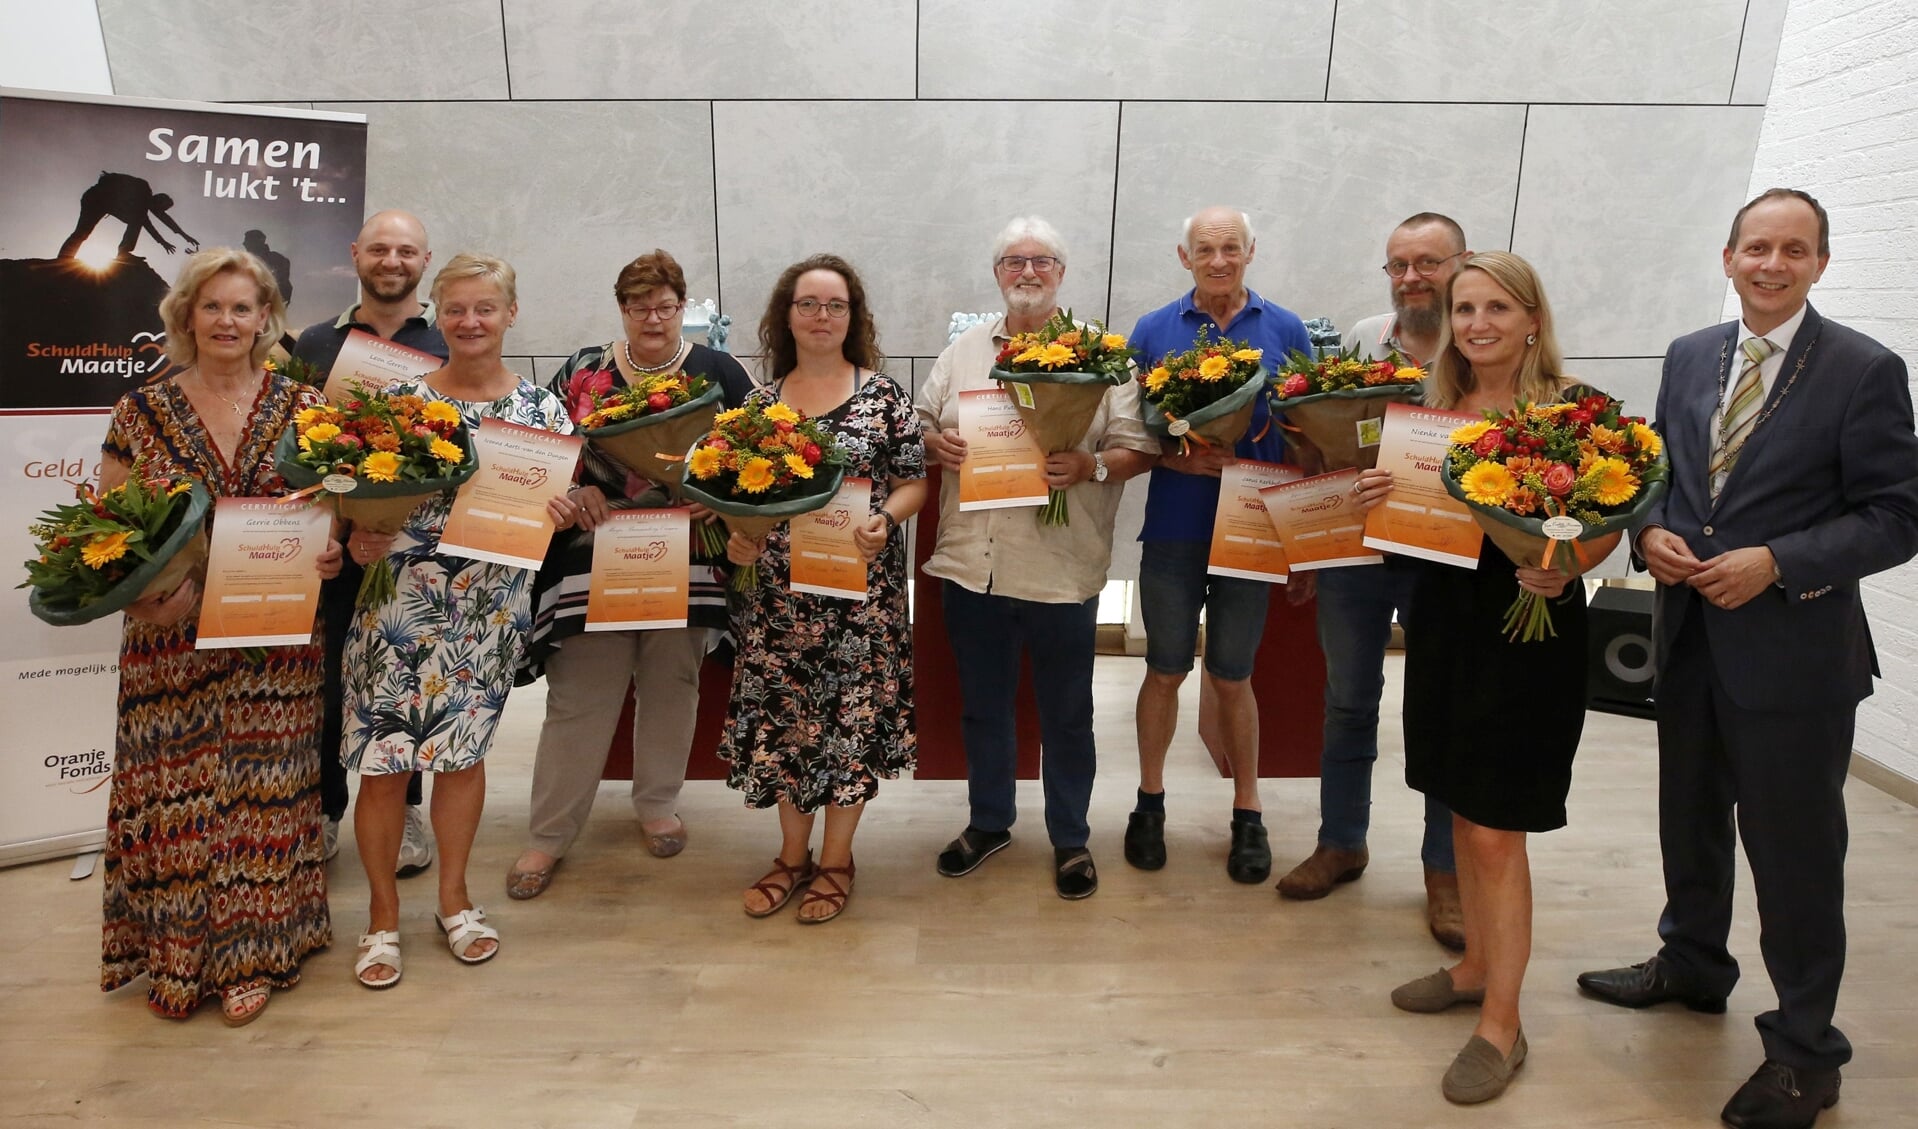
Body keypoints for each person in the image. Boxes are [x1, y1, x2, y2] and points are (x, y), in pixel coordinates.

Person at [1576, 189, 1918, 1129]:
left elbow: (1898, 514)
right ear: (1727, 258)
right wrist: (1648, 532)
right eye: (1756, 247)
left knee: (1795, 857)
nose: (1773, 263)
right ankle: (1693, 964)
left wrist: (1780, 562)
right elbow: (1655, 473)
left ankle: (1807, 1050)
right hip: (1687, 642)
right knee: (1688, 821)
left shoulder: (1863, 369)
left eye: (1794, 250)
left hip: (1797, 658)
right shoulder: (1691, 355)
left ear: (1820, 264)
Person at [1356, 251, 1617, 1104]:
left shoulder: (1576, 412)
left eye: (1497, 308)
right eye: (1465, 308)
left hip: (1529, 630)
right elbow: (1412, 523)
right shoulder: (1433, 410)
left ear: (1532, 318)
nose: (1477, 324)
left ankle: (1503, 1023)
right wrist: (1376, 492)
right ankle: (1472, 965)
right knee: (1462, 807)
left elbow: (1613, 516)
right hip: (1446, 626)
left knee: (1500, 825)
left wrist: (1570, 563)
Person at [97, 247, 342, 1025]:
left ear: (267, 318)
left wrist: (332, 549)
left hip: (278, 640)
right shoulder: (140, 411)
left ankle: (253, 957)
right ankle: (174, 958)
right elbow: (110, 529)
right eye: (213, 307)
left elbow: (329, 511)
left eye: (243, 308)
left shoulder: (306, 407)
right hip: (171, 642)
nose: (228, 321)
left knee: (259, 800)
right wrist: (143, 600)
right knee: (178, 800)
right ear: (185, 315)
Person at [340, 253, 577, 987]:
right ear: (436, 315)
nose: (470, 321)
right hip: (395, 604)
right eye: (456, 309)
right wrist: (357, 532)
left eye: (485, 308)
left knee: (461, 758)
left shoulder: (543, 413)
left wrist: (562, 514)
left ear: (511, 314)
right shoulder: (401, 405)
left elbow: (551, 513)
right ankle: (381, 917)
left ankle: (454, 899)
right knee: (384, 770)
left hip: (485, 611)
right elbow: (347, 495)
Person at [921, 217, 1158, 900]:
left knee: (1067, 713)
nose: (1027, 272)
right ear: (997, 273)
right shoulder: (964, 350)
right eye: (1014, 261)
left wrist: (1090, 463)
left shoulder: (1103, 357)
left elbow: (1139, 447)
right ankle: (990, 821)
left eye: (1042, 261)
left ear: (1061, 272)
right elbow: (926, 421)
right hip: (975, 563)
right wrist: (938, 445)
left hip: (1063, 566)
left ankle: (1071, 837)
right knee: (983, 708)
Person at [505, 248, 754, 899]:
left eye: (666, 304)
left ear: (682, 307)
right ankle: (548, 834)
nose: (653, 316)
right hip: (592, 556)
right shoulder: (582, 370)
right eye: (639, 304)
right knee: (579, 694)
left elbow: (761, 446)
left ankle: (657, 804)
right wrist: (571, 489)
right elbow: (543, 454)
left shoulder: (717, 370)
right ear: (621, 308)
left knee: (673, 682)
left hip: (689, 555)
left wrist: (719, 493)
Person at [1276, 212, 1469, 948]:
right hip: (1357, 547)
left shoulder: (1480, 341)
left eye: (1427, 262)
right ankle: (1341, 841)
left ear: (1462, 262)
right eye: (1398, 265)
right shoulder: (1361, 339)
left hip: (1446, 552)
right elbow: (1328, 446)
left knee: (1440, 706)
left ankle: (1444, 871)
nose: (1412, 277)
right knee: (1348, 698)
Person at [721, 253, 926, 924]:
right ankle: (791, 855)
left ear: (852, 317)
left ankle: (836, 861)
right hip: (779, 603)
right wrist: (741, 538)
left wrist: (884, 518)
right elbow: (736, 498)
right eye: (808, 303)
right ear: (787, 315)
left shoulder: (886, 396)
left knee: (849, 724)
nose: (821, 316)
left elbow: (914, 481)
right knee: (787, 725)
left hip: (861, 597)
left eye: (834, 305)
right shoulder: (757, 405)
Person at [1125, 205, 1314, 885]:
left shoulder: (1287, 328)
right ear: (1185, 258)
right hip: (1176, 525)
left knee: (1234, 675)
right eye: (1205, 249)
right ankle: (1149, 801)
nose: (1219, 260)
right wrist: (1176, 458)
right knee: (1166, 669)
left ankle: (1248, 809)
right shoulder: (1152, 329)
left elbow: (1310, 430)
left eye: (1231, 247)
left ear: (1251, 251)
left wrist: (1303, 540)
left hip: (1255, 527)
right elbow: (1132, 431)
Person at [291, 209, 446, 876]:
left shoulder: (446, 343)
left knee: (401, 688)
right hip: (332, 551)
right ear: (356, 254)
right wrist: (333, 532)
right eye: (380, 248)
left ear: (425, 260)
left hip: (413, 555)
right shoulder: (314, 343)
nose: (392, 260)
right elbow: (295, 450)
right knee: (327, 688)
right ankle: (325, 809)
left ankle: (408, 805)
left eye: (406, 250)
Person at [57, 171, 200, 260]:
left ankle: (123, 252)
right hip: (96, 197)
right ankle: (64, 257)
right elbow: (151, 222)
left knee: (137, 220)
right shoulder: (143, 189)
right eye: (162, 208)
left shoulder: (142, 207)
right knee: (82, 232)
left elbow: (159, 220)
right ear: (157, 200)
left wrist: (182, 235)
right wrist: (169, 240)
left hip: (108, 203)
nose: (159, 212)